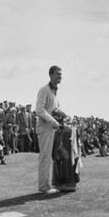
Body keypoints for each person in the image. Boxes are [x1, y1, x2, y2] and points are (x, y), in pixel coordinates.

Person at [35, 66, 64, 194]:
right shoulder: (44, 90)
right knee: (45, 157)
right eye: (57, 74)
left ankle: (49, 184)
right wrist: (53, 121)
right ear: (50, 75)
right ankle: (43, 186)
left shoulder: (55, 93)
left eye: (61, 74)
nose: (60, 76)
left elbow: (56, 110)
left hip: (53, 129)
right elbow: (39, 110)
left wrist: (66, 117)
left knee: (51, 157)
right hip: (45, 129)